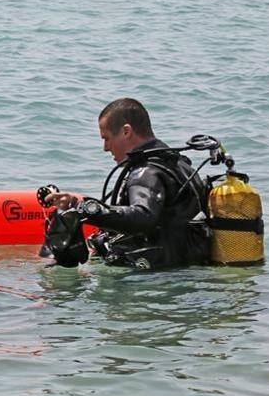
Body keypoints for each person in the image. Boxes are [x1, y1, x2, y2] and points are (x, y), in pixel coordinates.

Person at [45, 98, 209, 269]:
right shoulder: (180, 165)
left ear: (126, 131)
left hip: (158, 277)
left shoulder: (146, 172)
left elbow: (143, 217)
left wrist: (84, 209)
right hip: (188, 267)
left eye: (107, 138)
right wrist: (75, 203)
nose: (105, 147)